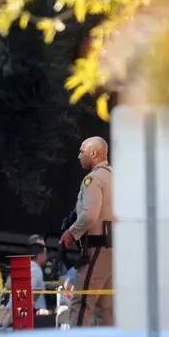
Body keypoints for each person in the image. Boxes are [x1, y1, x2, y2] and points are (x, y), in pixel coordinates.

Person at [60, 136, 114, 326]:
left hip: (98, 248)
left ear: (94, 153)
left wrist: (70, 233)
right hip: (117, 251)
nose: (78, 155)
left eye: (82, 151)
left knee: (82, 303)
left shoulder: (93, 179)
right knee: (105, 308)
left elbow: (90, 215)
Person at [28, 235, 48, 313]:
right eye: (45, 253)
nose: (46, 256)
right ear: (39, 255)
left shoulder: (32, 266)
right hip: (35, 313)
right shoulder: (35, 269)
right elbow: (29, 292)